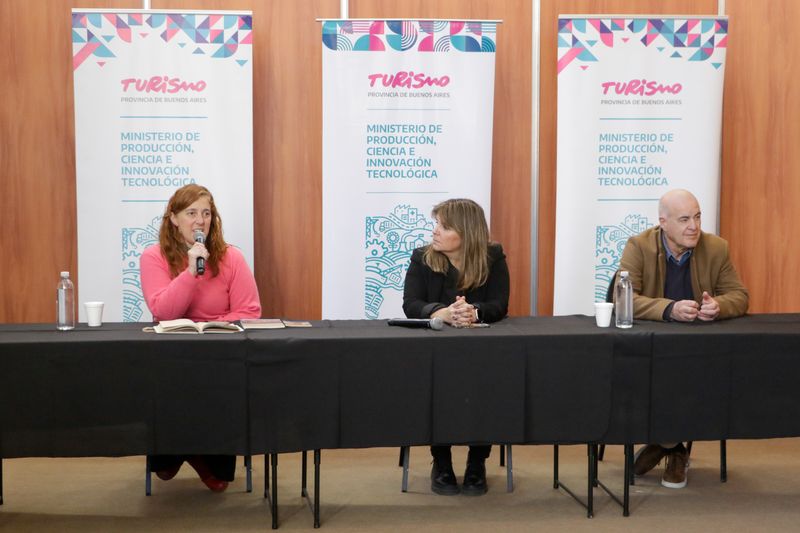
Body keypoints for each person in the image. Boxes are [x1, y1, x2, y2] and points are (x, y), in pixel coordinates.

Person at [618, 188, 748, 489]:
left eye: (698, 217)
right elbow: (624, 298)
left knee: (694, 376)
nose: (694, 226)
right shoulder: (638, 246)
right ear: (663, 222)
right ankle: (674, 447)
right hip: (653, 346)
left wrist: (719, 306)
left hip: (699, 349)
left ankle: (664, 444)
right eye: (685, 219)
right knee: (651, 375)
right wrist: (669, 309)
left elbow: (739, 295)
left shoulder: (716, 248)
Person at [140, 184, 261, 492]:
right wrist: (191, 272)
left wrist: (211, 325)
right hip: (172, 354)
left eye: (206, 213)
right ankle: (176, 453)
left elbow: (249, 311)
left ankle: (206, 457)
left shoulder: (231, 257)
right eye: (191, 213)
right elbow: (163, 312)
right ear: (173, 218)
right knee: (172, 382)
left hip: (220, 352)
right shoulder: (153, 257)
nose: (200, 221)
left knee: (218, 382)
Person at [403, 198, 510, 496]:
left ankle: (477, 462)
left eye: (444, 226)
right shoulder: (422, 258)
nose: (435, 231)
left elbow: (499, 304)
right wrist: (442, 313)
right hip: (438, 351)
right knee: (438, 388)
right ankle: (442, 462)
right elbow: (411, 304)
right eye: (436, 224)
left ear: (466, 232)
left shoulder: (493, 257)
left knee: (487, 386)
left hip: (481, 351)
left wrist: (473, 312)